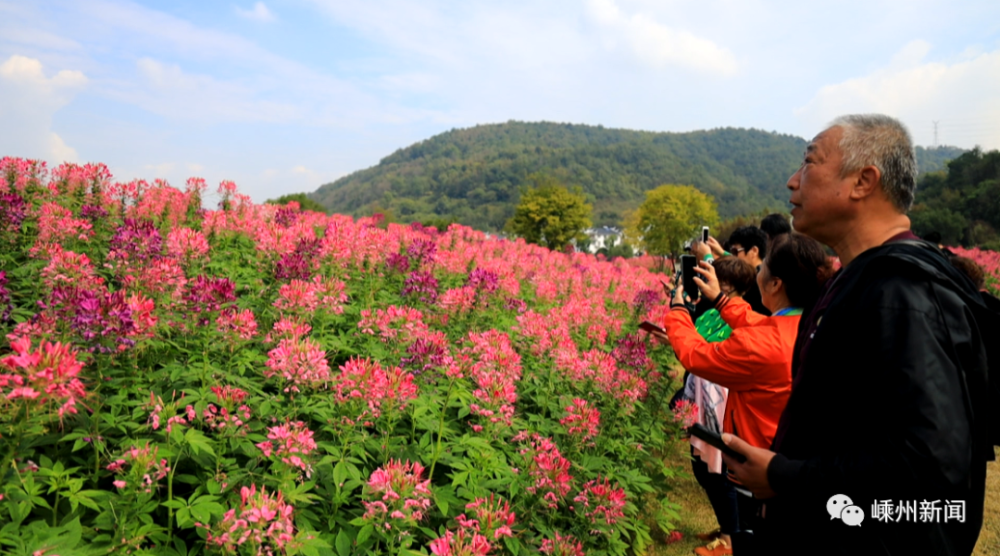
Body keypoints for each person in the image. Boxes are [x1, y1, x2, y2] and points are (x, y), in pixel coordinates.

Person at [720, 114, 991, 556]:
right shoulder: (857, 281)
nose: (792, 181)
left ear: (863, 181)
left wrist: (784, 477)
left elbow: (925, 469)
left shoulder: (902, 295)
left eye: (809, 163)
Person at [662, 233, 833, 555]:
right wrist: (720, 300)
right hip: (792, 459)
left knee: (757, 536)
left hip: (759, 465)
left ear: (775, 284)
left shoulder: (763, 345)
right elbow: (755, 323)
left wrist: (677, 310)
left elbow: (696, 355)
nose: (757, 273)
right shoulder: (806, 324)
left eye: (763, 267)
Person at [672, 257, 758, 556]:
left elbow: (716, 356)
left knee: (719, 472)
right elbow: (693, 345)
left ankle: (730, 539)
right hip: (698, 393)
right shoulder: (711, 314)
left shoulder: (743, 317)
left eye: (709, 277)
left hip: (719, 404)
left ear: (728, 286)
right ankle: (725, 527)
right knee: (702, 467)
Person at [724, 226, 771, 316]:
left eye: (735, 251)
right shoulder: (763, 275)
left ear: (754, 251)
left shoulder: (756, 282)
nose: (733, 257)